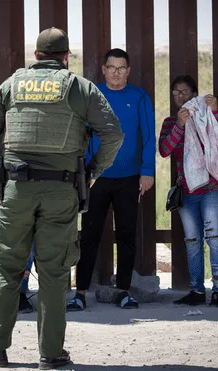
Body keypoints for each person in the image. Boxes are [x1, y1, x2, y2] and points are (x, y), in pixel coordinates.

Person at [0, 27, 124, 369]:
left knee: (7, 267)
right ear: (66, 56)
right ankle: (51, 354)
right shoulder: (79, 87)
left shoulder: (12, 85)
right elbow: (113, 134)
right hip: (62, 189)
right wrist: (94, 169)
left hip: (16, 189)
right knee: (54, 272)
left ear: (37, 55)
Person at [67, 48, 156, 312]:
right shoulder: (91, 95)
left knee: (127, 235)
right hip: (97, 178)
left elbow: (149, 136)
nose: (116, 73)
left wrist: (147, 170)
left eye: (121, 68)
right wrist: (86, 172)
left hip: (129, 179)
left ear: (128, 71)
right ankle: (80, 293)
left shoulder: (139, 96)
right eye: (111, 68)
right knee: (89, 235)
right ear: (103, 69)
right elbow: (81, 134)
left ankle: (124, 291)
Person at [158, 75, 218, 307]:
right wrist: (180, 126)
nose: (180, 97)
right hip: (186, 191)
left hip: (212, 189)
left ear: (194, 94)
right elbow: (164, 150)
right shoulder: (171, 122)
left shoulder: (207, 117)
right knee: (192, 241)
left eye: (185, 92)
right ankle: (197, 291)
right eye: (176, 92)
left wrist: (216, 112)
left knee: (214, 237)